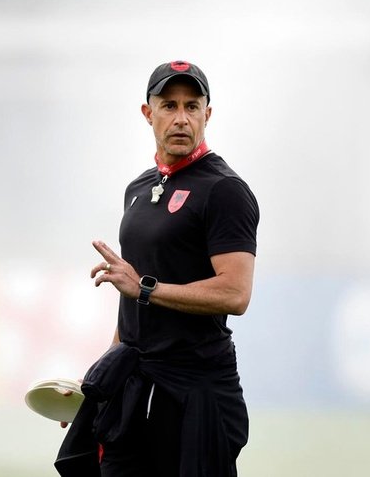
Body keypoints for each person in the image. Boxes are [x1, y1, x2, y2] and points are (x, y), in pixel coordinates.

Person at [56, 60, 260, 477]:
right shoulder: (138, 189)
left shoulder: (225, 191)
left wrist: (146, 288)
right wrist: (98, 381)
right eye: (169, 105)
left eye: (192, 105)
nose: (181, 118)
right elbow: (131, 307)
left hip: (195, 392)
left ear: (208, 113)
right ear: (149, 114)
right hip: (134, 389)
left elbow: (235, 294)